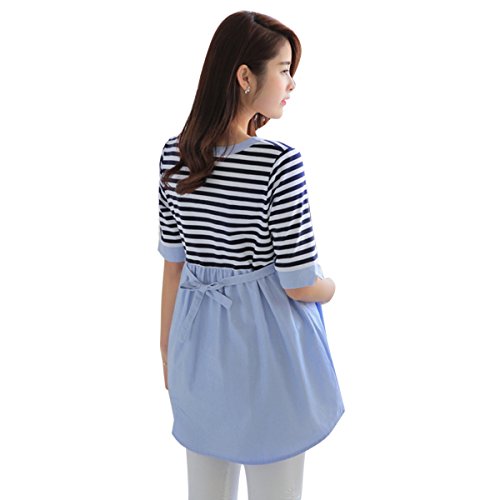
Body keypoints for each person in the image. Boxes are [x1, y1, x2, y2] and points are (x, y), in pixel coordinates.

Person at [158, 10, 344, 500]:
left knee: (206, 492)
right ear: (245, 76)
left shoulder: (174, 155)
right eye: (284, 69)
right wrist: (331, 286)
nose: (291, 83)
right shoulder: (277, 163)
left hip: (195, 347)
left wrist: (168, 350)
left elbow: (173, 264)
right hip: (267, 352)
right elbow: (299, 283)